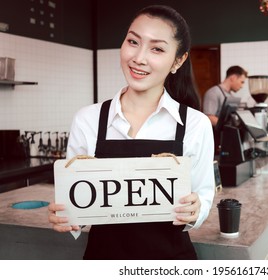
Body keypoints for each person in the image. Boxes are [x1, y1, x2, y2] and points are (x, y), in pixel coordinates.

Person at [48, 5, 215, 260]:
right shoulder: (87, 120)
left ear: (178, 61)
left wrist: (196, 209)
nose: (139, 57)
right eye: (133, 41)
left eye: (157, 48)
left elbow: (203, 193)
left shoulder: (196, 124)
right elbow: (78, 205)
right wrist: (68, 216)